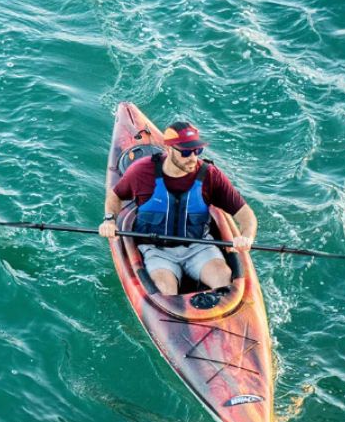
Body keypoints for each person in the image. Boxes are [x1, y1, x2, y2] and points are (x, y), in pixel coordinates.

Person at [99, 120, 257, 296]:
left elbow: (246, 215)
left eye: (197, 150)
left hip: (199, 246)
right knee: (164, 290)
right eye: (186, 152)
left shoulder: (211, 175)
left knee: (223, 278)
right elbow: (115, 196)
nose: (193, 157)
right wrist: (109, 220)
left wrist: (246, 237)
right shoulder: (141, 172)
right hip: (156, 250)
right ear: (168, 149)